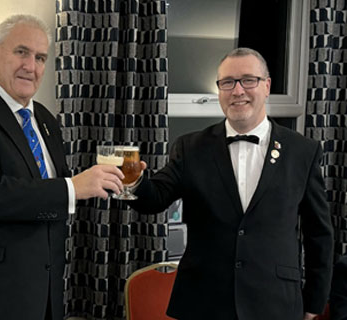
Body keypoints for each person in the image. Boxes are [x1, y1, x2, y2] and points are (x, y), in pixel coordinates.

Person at [0, 14, 125, 319]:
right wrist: (72, 187)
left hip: (42, 296)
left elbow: (42, 203)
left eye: (40, 57)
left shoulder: (45, 120)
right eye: (21, 52)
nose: (31, 66)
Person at [125, 47, 331, 320]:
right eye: (227, 82)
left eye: (248, 80)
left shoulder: (303, 151)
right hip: (204, 301)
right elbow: (156, 197)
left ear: (267, 86)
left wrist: (314, 303)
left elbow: (319, 234)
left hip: (276, 302)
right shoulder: (190, 147)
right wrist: (134, 181)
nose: (237, 91)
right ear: (219, 89)